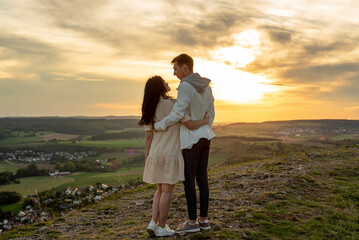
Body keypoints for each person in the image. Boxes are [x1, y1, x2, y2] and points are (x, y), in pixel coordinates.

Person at [138, 76, 209, 237]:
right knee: (166, 192)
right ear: (160, 87)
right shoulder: (174, 105)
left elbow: (148, 136)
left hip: (155, 153)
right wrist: (204, 121)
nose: (167, 83)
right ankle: (162, 227)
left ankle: (153, 222)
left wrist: (148, 157)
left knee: (159, 190)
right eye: (164, 82)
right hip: (170, 153)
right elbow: (189, 124)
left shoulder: (149, 108)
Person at [154, 54, 215, 234]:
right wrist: (203, 126)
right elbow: (211, 113)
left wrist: (159, 125)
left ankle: (192, 222)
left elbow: (178, 113)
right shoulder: (206, 87)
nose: (174, 73)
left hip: (190, 139)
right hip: (205, 136)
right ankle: (204, 220)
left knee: (189, 180)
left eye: (175, 68)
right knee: (202, 178)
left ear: (185, 67)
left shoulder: (186, 86)